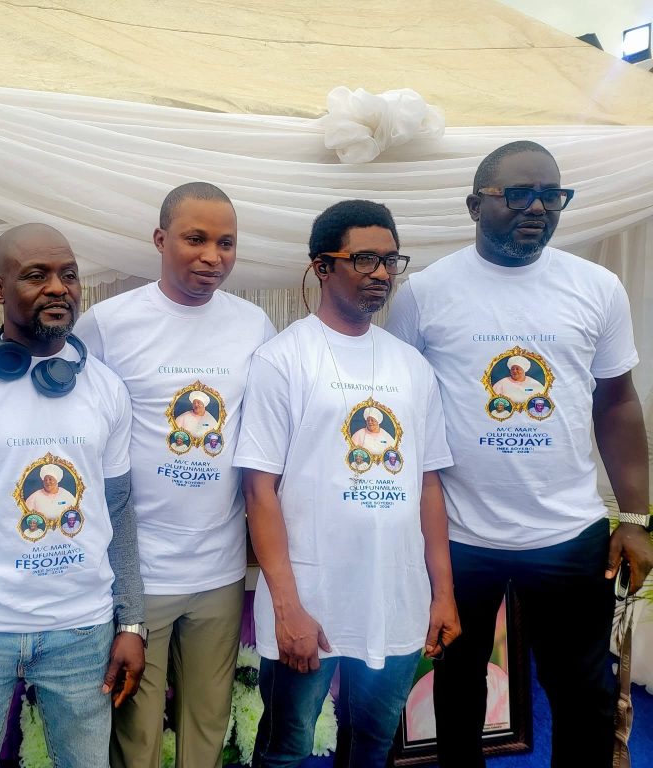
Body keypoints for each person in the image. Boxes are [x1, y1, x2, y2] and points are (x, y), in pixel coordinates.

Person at [386, 140, 653, 768]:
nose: (537, 207)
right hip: (459, 536)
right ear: (474, 204)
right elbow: (402, 410)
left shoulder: (596, 288)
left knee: (582, 694)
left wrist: (636, 518)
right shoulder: (426, 294)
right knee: (457, 688)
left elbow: (617, 403)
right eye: (518, 194)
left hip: (567, 535)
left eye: (551, 196)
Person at [0, 223, 146, 768]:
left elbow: (118, 509)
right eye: (36, 275)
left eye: (69, 275)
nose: (58, 287)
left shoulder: (107, 389)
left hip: (83, 629)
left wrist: (131, 622)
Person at [235, 199, 460, 768]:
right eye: (364, 259)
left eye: (390, 260)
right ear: (321, 266)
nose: (381, 273)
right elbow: (259, 492)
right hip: (312, 600)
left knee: (373, 745)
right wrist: (287, 608)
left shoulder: (412, 366)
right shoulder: (282, 359)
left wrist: (442, 594)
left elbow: (428, 485)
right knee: (286, 747)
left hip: (397, 598)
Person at [75, 182, 277, 768]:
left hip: (220, 567)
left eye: (226, 243)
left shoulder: (253, 324)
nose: (212, 256)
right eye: (196, 239)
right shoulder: (109, 324)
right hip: (139, 571)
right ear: (161, 240)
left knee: (206, 724)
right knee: (135, 734)